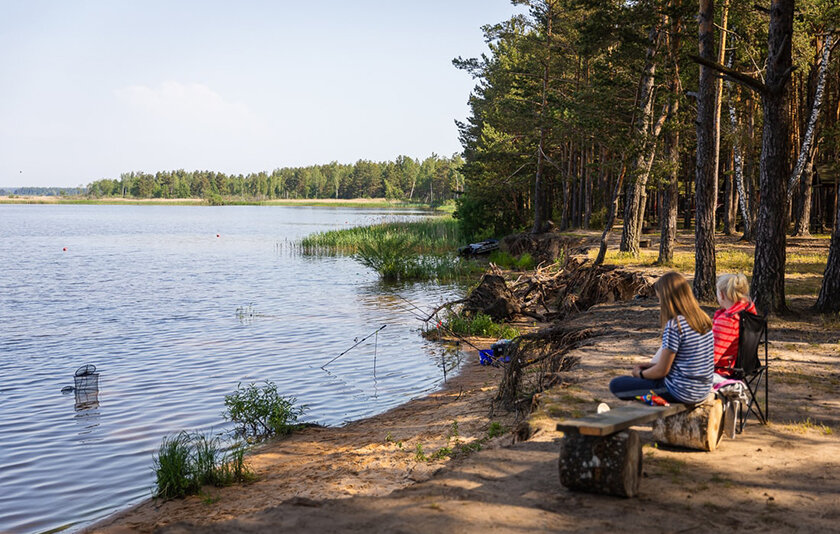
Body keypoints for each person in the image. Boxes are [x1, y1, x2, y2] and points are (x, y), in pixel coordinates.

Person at [609, 272, 714, 404]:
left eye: (660, 299)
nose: (660, 303)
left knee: (617, 385)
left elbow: (662, 371)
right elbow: (686, 360)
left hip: (680, 392)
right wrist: (651, 366)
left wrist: (640, 374)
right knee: (644, 378)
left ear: (667, 299)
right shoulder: (704, 320)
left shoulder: (675, 325)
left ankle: (651, 399)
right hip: (702, 390)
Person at [712, 273, 757, 379]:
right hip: (739, 367)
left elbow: (710, 358)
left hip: (722, 371)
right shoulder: (747, 314)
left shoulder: (727, 321)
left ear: (722, 294)